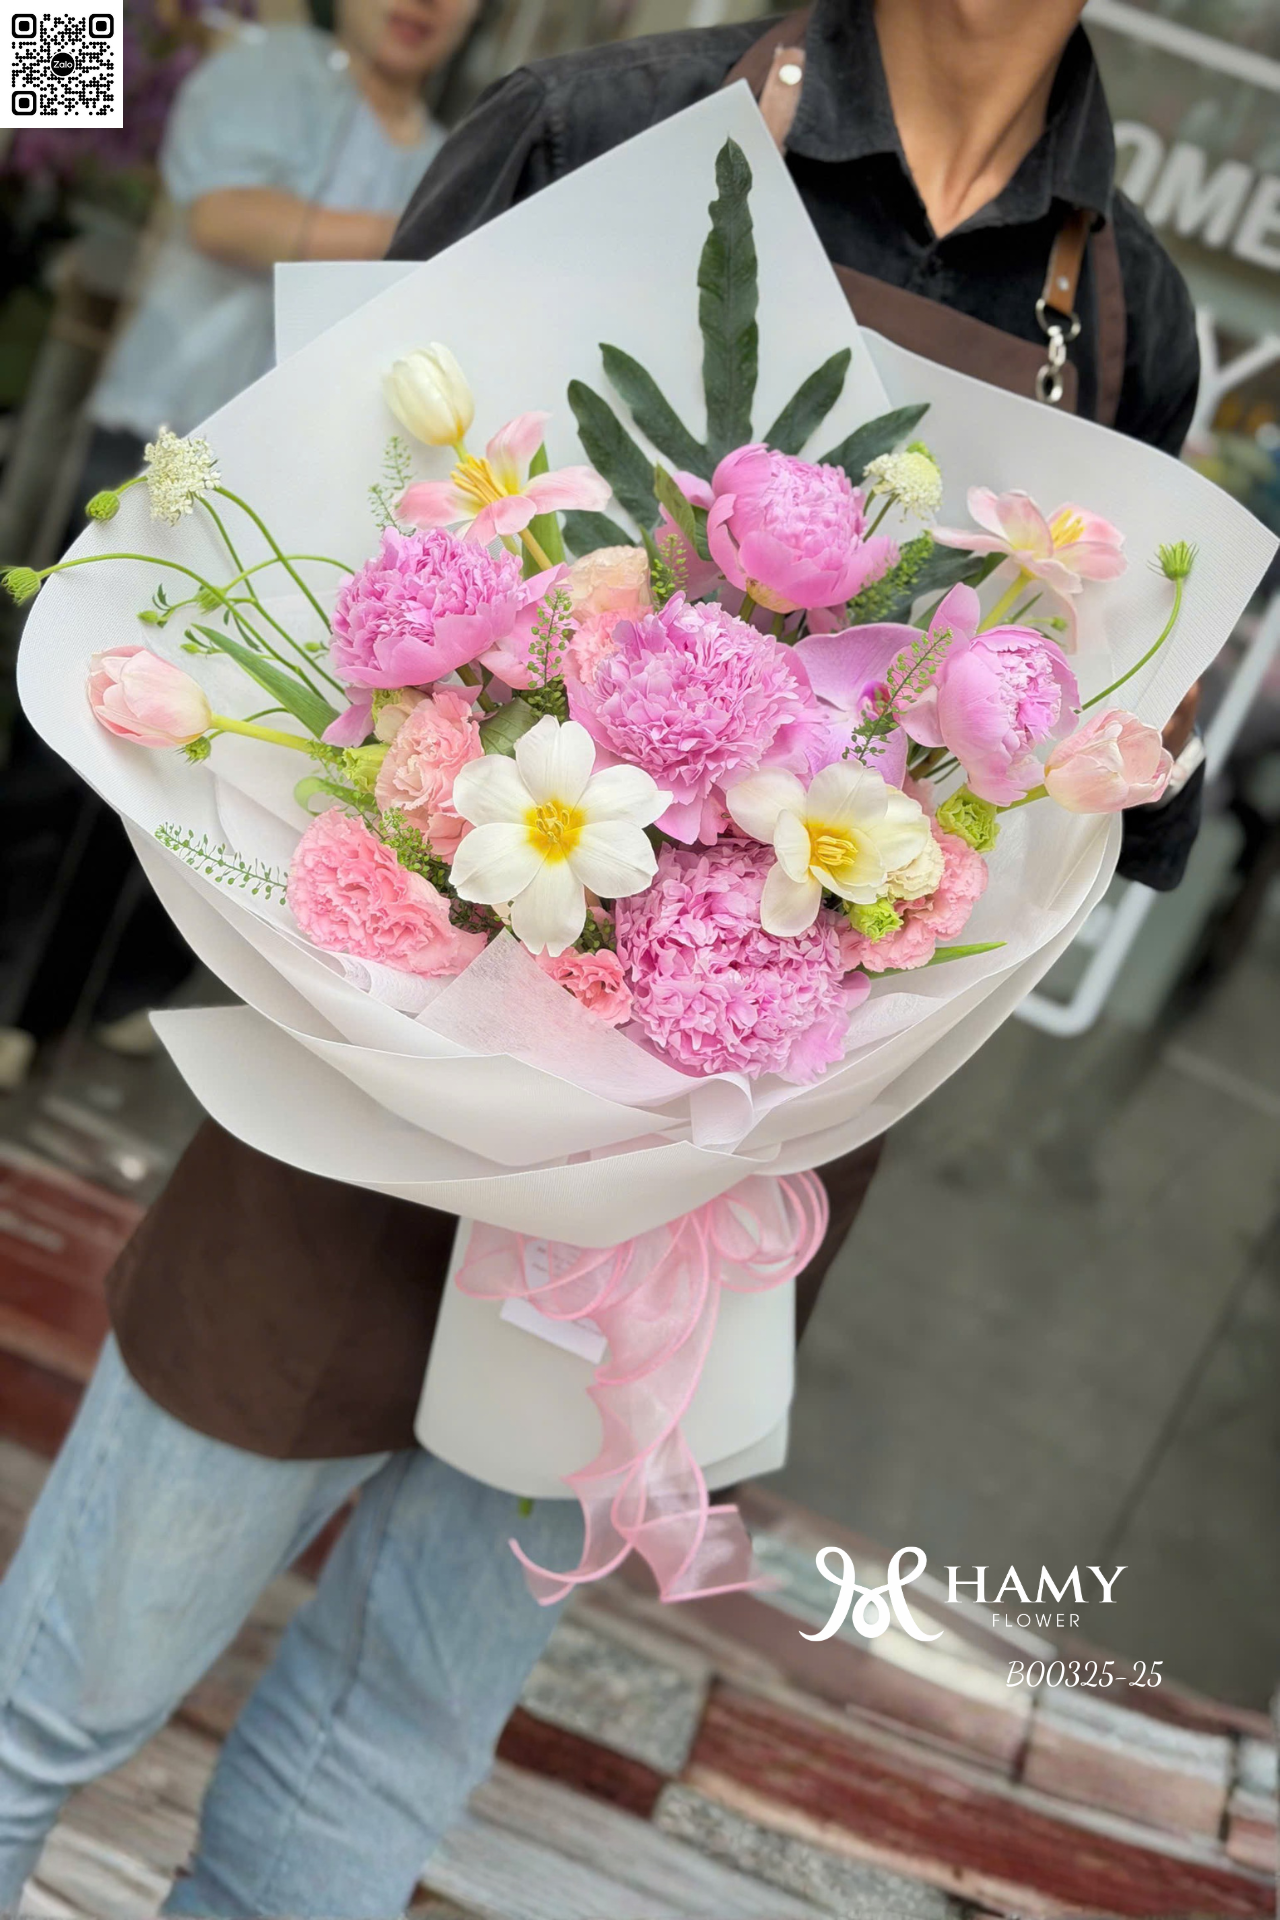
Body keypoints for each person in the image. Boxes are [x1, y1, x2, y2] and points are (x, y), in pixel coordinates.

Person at [0, 4, 1207, 1913]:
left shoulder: (1123, 311)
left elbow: (1102, 803)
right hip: (397, 1063)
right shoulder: (597, 125)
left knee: (386, 1755)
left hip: (715, 1151)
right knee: (61, 1689)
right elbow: (325, 568)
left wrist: (1104, 745)